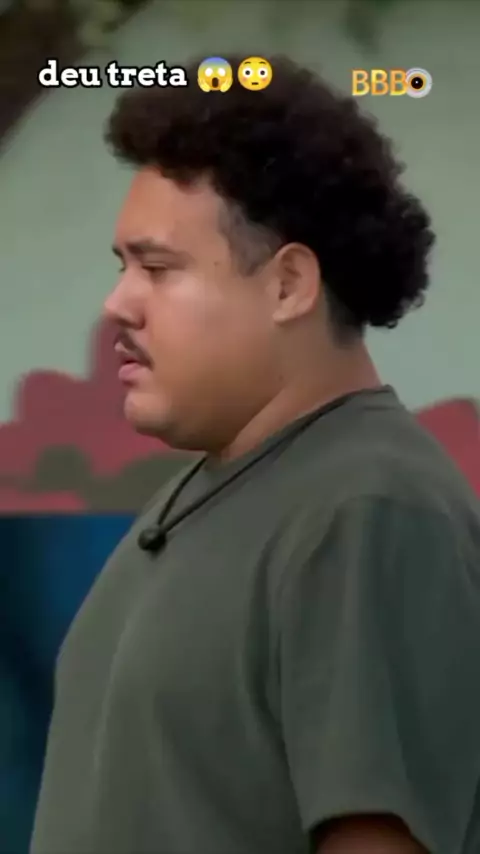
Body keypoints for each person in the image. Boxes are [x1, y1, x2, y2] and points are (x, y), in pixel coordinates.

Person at [30, 54, 480, 854]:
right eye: (121, 267)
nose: (118, 302)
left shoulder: (367, 510)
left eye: (157, 268)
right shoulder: (211, 490)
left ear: (288, 285)